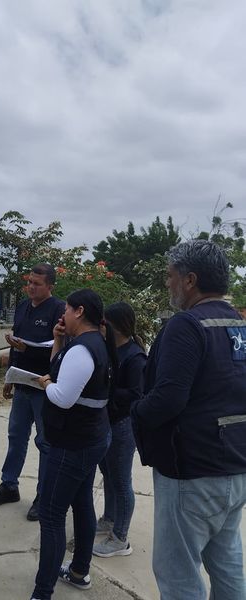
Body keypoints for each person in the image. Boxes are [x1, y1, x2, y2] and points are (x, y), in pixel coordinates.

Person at [131, 240, 246, 600]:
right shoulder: (238, 325)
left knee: (177, 574)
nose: (168, 284)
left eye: (170, 276)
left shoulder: (187, 325)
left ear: (190, 280)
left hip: (192, 473)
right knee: (227, 563)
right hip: (235, 468)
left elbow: (168, 399)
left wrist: (134, 412)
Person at [30, 289, 118, 600]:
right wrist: (58, 342)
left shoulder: (83, 349)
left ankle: (42, 593)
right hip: (90, 437)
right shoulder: (93, 343)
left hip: (73, 443)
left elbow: (63, 396)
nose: (62, 314)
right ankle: (79, 571)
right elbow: (63, 373)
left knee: (51, 514)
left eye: (66, 309)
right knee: (81, 504)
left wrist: (45, 384)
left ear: (79, 311)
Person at [0, 263, 65, 521]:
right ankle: (9, 486)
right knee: (16, 436)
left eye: (37, 283)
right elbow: (16, 345)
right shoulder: (22, 307)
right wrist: (9, 376)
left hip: (44, 386)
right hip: (21, 384)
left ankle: (44, 495)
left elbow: (59, 349)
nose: (31, 287)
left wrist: (28, 350)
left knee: (45, 442)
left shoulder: (59, 310)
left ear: (50, 286)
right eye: (29, 282)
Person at [92, 302, 146, 557]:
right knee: (109, 474)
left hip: (123, 425)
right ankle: (109, 519)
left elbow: (136, 395)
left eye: (105, 324)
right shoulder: (110, 348)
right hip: (107, 422)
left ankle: (120, 538)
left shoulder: (135, 357)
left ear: (117, 327)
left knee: (122, 481)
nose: (101, 328)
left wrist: (107, 390)